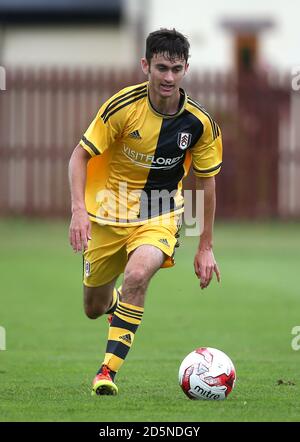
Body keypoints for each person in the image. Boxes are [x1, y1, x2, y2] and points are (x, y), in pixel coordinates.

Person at [68, 28, 222, 396]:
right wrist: (78, 210)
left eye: (176, 68)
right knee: (93, 307)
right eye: (161, 67)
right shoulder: (122, 107)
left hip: (161, 212)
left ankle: (107, 371)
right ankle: (115, 303)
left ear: (186, 69)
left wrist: (205, 246)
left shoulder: (199, 124)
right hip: (109, 212)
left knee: (138, 274)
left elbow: (207, 183)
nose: (169, 77)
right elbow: (79, 156)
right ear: (145, 66)